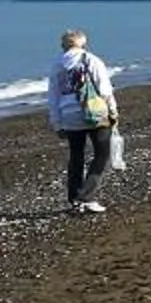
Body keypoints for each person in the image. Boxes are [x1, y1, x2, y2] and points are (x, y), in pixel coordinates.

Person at [47, 29, 120, 214]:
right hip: (94, 113)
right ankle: (86, 196)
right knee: (102, 154)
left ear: (64, 45)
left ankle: (74, 200)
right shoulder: (91, 60)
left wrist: (57, 122)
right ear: (82, 43)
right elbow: (104, 90)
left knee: (76, 156)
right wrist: (113, 111)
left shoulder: (57, 65)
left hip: (69, 116)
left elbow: (53, 97)